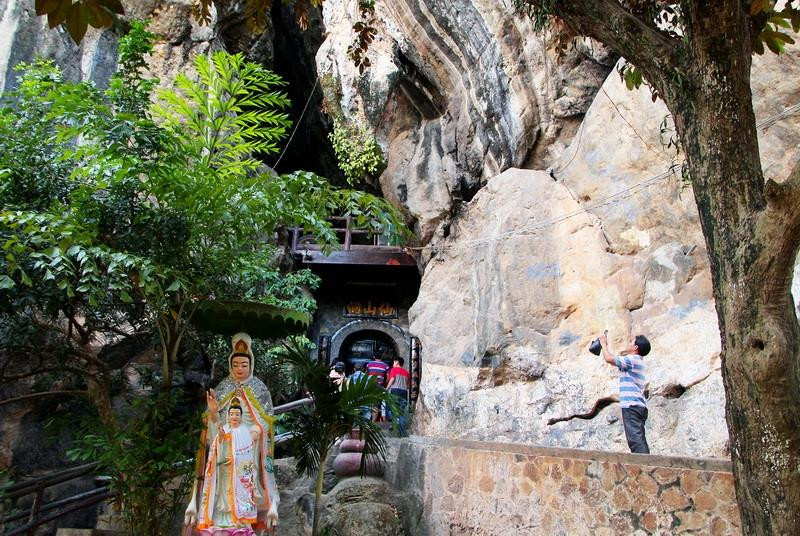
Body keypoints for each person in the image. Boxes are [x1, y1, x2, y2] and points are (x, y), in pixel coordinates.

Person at [185, 332, 279, 534]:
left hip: (248, 447)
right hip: (224, 441)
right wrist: (212, 413)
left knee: (244, 479)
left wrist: (253, 431)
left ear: (251, 364)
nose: (239, 369)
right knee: (221, 479)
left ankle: (243, 521)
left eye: (244, 365)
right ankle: (220, 519)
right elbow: (213, 424)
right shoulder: (223, 387)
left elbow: (265, 420)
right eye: (236, 365)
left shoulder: (259, 388)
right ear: (230, 364)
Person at [195, 398, 262, 534]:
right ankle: (221, 519)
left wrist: (235, 460)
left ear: (241, 416)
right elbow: (215, 445)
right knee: (222, 494)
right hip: (223, 469)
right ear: (228, 415)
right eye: (232, 414)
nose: (234, 417)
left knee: (237, 493)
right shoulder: (224, 429)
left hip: (237, 472)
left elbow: (248, 453)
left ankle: (238, 520)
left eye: (237, 414)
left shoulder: (245, 432)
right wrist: (220, 438)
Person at [599, 332, 651, 454]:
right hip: (637, 405)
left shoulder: (633, 360)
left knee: (635, 440)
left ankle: (644, 466)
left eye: (631, 342)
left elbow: (609, 359)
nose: (628, 344)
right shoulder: (635, 361)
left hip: (632, 405)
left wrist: (603, 344)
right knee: (637, 438)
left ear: (635, 348)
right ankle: (645, 464)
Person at [385, 357, 410, 436]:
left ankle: (394, 425)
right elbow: (408, 385)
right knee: (401, 411)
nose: (393, 364)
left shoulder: (394, 369)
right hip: (404, 392)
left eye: (393, 362)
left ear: (396, 362)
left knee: (393, 409)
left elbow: (392, 379)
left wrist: (386, 388)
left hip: (395, 391)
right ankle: (402, 431)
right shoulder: (406, 372)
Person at [366, 355, 390, 420]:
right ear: (382, 357)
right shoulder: (386, 365)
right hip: (379, 387)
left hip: (370, 386)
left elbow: (366, 375)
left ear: (374, 357)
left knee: (368, 403)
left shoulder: (369, 364)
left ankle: (367, 420)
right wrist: (385, 384)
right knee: (376, 404)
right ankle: (373, 422)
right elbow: (388, 377)